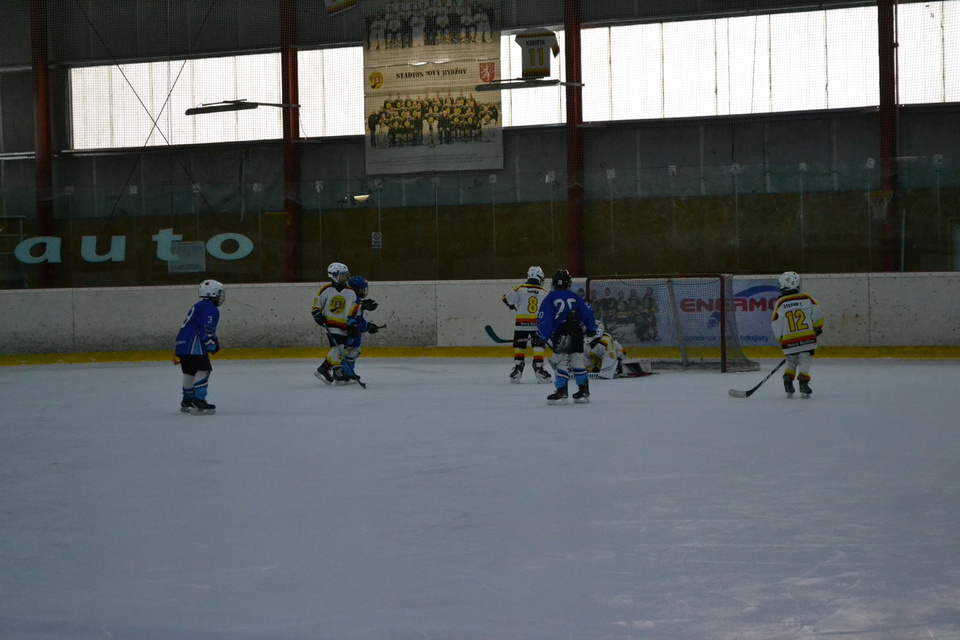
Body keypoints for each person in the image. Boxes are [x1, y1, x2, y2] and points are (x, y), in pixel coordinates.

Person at [537, 269, 599, 404]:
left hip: (562, 331)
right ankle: (583, 390)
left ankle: (562, 392)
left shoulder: (550, 297)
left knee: (560, 360)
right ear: (568, 283)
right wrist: (591, 328)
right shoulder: (575, 297)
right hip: (576, 330)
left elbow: (545, 318)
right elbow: (587, 312)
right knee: (576, 359)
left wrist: (542, 335)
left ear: (554, 283)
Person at [311, 262, 377, 384]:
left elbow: (353, 307)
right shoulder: (326, 289)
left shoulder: (350, 291)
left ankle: (324, 368)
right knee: (339, 347)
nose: (344, 277)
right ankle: (337, 371)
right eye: (341, 275)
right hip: (331, 323)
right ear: (333, 275)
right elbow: (316, 306)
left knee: (342, 348)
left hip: (344, 325)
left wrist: (363, 306)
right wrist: (317, 314)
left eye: (345, 275)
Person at [771, 271, 824, 398]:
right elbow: (818, 314)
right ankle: (803, 383)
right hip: (807, 338)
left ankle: (788, 382)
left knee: (791, 361)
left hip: (789, 340)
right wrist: (817, 327)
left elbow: (776, 322)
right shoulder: (806, 297)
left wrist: (779, 338)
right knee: (804, 361)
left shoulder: (781, 302)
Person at [175, 279, 225, 415]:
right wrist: (211, 345)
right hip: (194, 343)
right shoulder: (210, 308)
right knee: (203, 369)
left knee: (189, 371)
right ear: (212, 293)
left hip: (182, 343)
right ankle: (198, 400)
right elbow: (206, 327)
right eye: (219, 293)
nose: (220, 296)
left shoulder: (198, 305)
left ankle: (187, 400)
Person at [502, 266, 551, 384]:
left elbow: (506, 298)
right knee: (538, 346)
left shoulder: (519, 289)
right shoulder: (544, 293)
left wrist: (510, 304)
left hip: (521, 324)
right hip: (537, 325)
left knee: (520, 346)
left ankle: (518, 368)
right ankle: (539, 368)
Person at [337, 275, 383, 385]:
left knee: (354, 350)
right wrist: (352, 324)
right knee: (350, 350)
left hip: (353, 330)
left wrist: (368, 326)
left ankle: (345, 372)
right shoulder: (350, 300)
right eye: (361, 289)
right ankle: (344, 372)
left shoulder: (356, 300)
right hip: (348, 330)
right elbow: (348, 315)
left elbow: (359, 319)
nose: (363, 292)